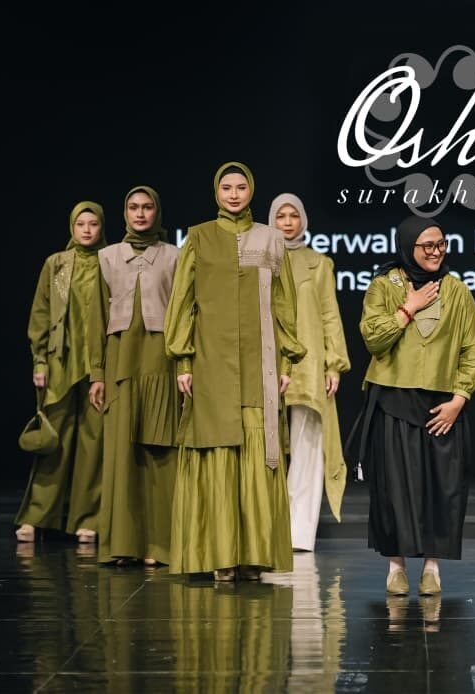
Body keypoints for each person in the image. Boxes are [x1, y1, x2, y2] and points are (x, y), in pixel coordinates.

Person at [165, 162, 305, 581]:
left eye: (241, 187)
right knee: (218, 452)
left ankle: (254, 556)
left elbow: (284, 303)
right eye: (226, 187)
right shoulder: (199, 237)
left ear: (251, 190)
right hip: (211, 366)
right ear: (216, 192)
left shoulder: (270, 238)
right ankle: (221, 556)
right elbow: (183, 302)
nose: (233, 194)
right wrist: (183, 360)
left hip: (260, 366)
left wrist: (287, 360)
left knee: (256, 453)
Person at [347, 215, 475, 595]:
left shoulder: (457, 291)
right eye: (427, 246)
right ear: (409, 247)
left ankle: (432, 568)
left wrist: (460, 398)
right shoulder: (384, 286)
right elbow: (373, 339)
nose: (436, 252)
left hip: (442, 404)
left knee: (440, 486)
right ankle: (396, 567)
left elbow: (473, 349)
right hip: (393, 400)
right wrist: (407, 308)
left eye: (441, 244)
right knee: (394, 488)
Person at [88, 186, 180, 566]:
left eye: (147, 207)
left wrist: (184, 367)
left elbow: (185, 314)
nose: (140, 214)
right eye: (133, 207)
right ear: (124, 213)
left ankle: (160, 546)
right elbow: (96, 318)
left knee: (160, 453)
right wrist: (97, 373)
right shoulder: (107, 257)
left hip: (161, 362)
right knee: (121, 455)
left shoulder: (174, 256)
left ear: (157, 212)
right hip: (120, 364)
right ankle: (123, 545)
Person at [17, 201, 105, 544]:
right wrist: (39, 360)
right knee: (53, 443)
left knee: (93, 446)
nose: (87, 230)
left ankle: (88, 519)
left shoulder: (109, 261)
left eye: (93, 224)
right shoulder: (56, 264)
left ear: (101, 227)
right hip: (61, 364)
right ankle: (37, 517)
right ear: (72, 227)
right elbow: (40, 313)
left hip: (98, 367)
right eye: (81, 224)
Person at [269, 193, 350, 552]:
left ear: (303, 220)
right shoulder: (258, 260)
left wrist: (334, 364)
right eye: (280, 216)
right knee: (268, 448)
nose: (287, 222)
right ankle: (267, 529)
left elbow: (330, 315)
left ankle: (298, 534)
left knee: (307, 446)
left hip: (309, 362)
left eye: (293, 216)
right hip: (267, 361)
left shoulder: (320, 263)